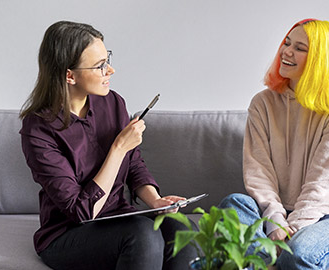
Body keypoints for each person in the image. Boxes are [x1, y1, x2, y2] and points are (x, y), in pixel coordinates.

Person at [19, 21, 196, 270]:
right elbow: (82, 212)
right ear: (70, 75)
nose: (110, 70)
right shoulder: (37, 129)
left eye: (107, 59)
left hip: (118, 218)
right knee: (142, 235)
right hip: (67, 232)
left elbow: (133, 164)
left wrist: (156, 201)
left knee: (181, 229)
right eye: (100, 65)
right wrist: (118, 149)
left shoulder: (112, 102)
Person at [219, 19, 329, 269]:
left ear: (320, 58)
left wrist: (292, 228)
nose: (286, 51)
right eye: (286, 43)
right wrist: (275, 220)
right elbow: (258, 171)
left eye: (299, 48)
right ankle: (266, 260)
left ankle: (266, 258)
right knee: (233, 204)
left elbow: (324, 181)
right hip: (276, 211)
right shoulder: (262, 103)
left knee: (298, 253)